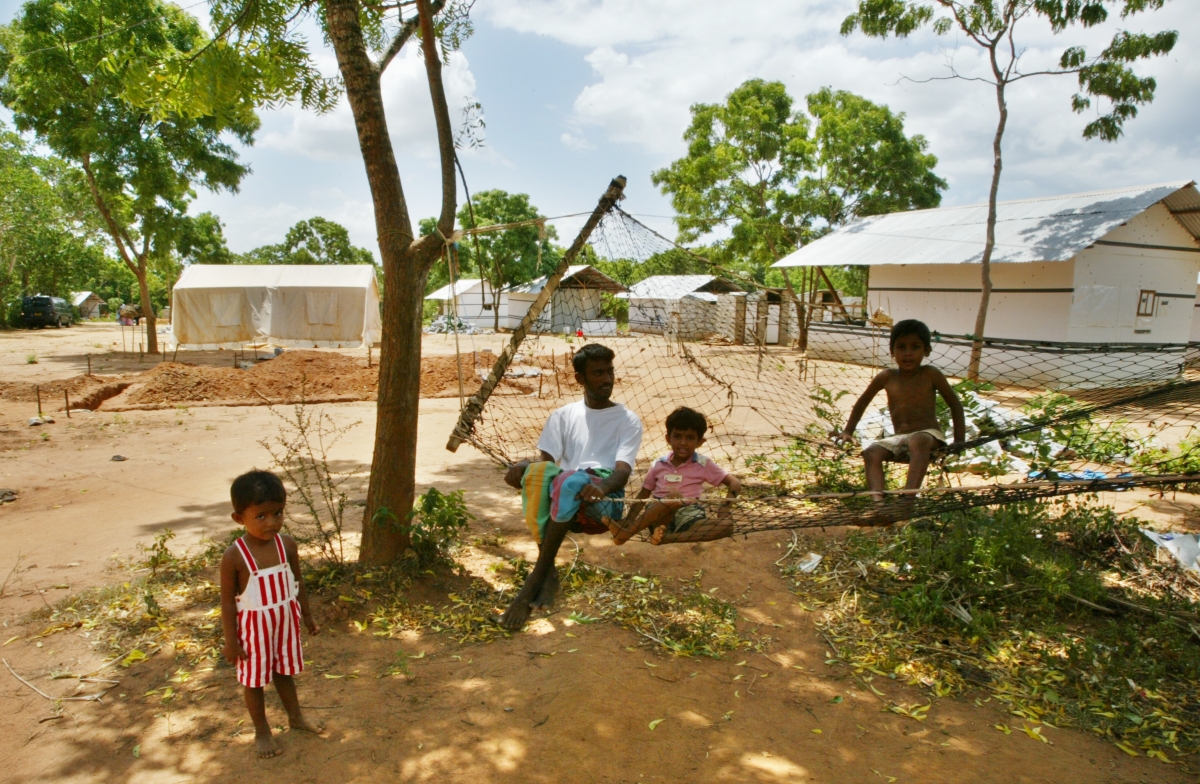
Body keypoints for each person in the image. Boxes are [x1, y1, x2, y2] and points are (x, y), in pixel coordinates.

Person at [499, 343, 643, 629]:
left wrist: (601, 487)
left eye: (610, 372)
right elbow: (547, 468)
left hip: (602, 504)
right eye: (598, 373)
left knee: (568, 478)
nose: (607, 379)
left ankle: (535, 580)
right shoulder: (562, 416)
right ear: (579, 378)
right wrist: (523, 468)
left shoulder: (627, 420)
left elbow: (623, 471)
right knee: (540, 474)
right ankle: (548, 573)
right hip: (565, 499)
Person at [219, 470, 325, 758]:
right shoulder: (235, 556)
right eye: (261, 516)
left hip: (284, 623)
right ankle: (262, 731)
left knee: (284, 672)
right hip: (254, 629)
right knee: (254, 681)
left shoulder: (287, 545)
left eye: (278, 513)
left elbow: (296, 582)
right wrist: (231, 641)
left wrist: (307, 615)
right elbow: (228, 603)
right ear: (239, 518)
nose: (272, 522)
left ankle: (296, 717)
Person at [834, 319, 966, 503]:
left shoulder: (930, 374)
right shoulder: (887, 377)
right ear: (892, 350)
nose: (908, 354)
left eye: (915, 347)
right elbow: (861, 403)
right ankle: (878, 504)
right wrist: (848, 431)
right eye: (901, 347)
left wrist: (960, 441)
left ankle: (907, 500)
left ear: (926, 350)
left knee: (918, 439)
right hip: (900, 439)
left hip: (929, 436)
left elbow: (955, 405)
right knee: (871, 452)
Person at [608, 406, 742, 545]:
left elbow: (735, 484)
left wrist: (724, 509)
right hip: (659, 515)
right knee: (674, 497)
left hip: (690, 516)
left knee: (726, 525)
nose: (683, 442)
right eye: (677, 436)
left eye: (690, 438)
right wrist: (630, 520)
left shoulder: (703, 464)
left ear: (700, 442)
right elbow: (644, 493)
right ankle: (628, 532)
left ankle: (666, 538)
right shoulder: (658, 464)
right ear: (668, 438)